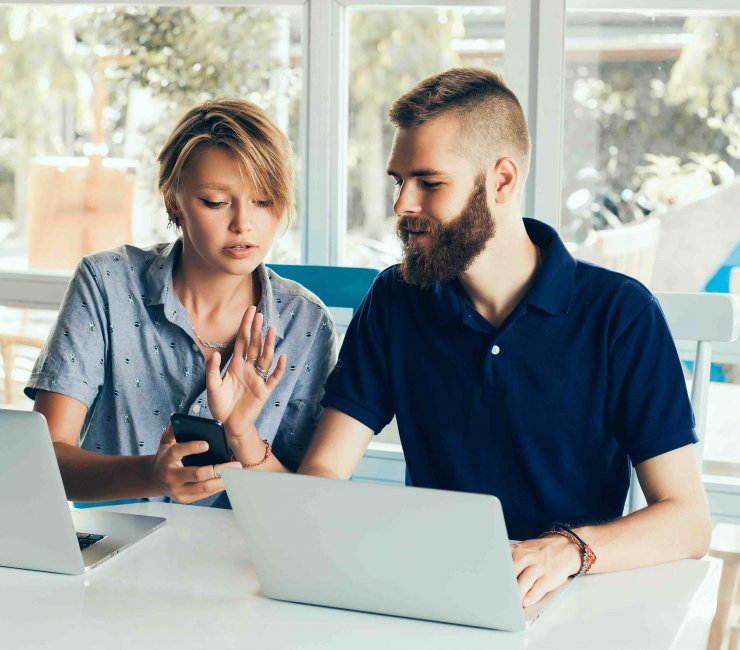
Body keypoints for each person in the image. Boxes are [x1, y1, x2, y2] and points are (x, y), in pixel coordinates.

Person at [296, 68, 712, 607]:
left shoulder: (620, 314)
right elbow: (325, 469)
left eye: (429, 182)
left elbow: (688, 522)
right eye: (400, 181)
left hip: (574, 598)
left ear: (503, 180)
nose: (402, 204)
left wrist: (566, 551)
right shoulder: (395, 299)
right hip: (430, 594)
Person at [25, 99, 335, 508]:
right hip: (115, 549)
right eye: (215, 201)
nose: (244, 223)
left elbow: (305, 506)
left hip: (239, 561)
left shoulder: (306, 322)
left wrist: (243, 435)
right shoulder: (106, 283)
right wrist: (152, 475)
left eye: (264, 201)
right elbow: (42, 459)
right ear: (173, 201)